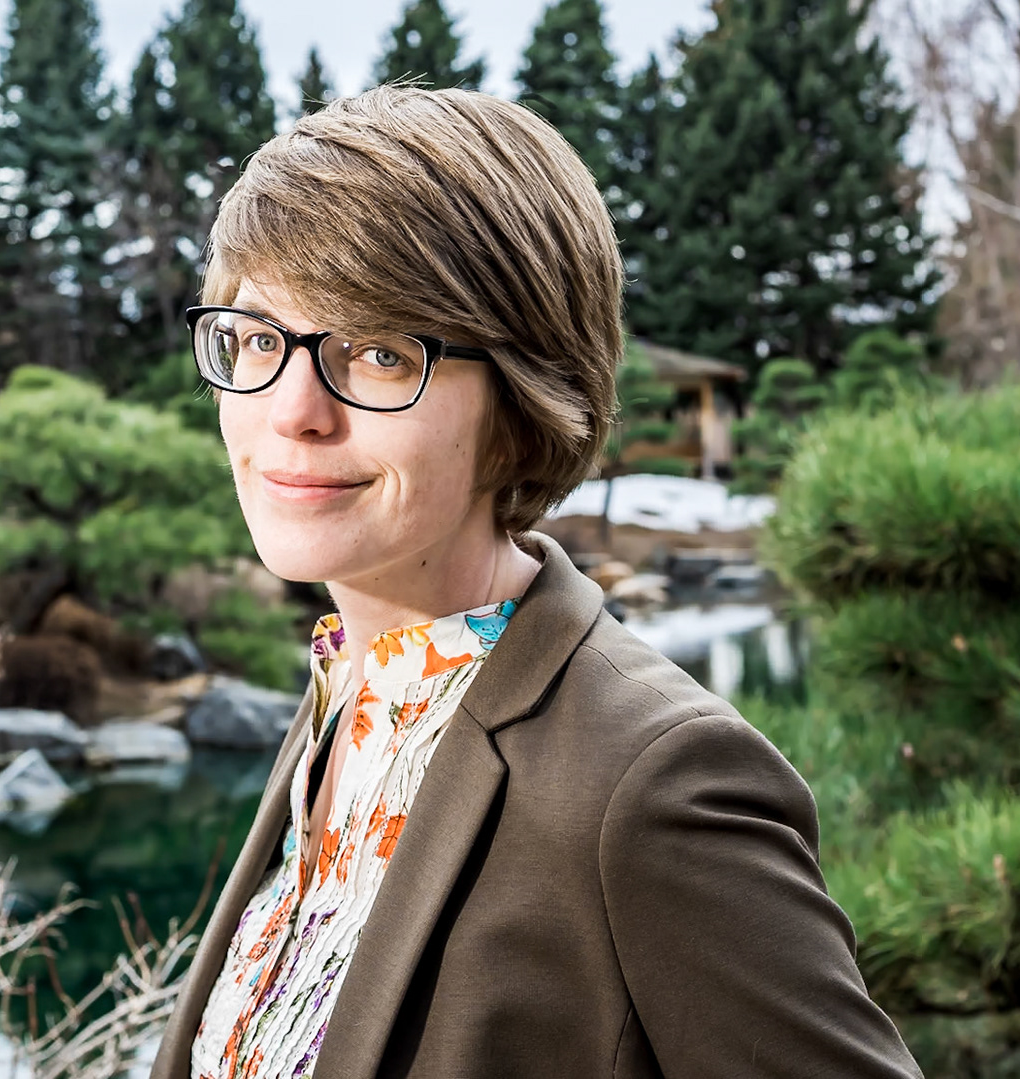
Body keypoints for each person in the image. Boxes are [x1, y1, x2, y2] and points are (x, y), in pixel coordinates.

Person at [149, 86, 922, 1079]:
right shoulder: (356, 689)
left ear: (524, 396)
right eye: (258, 339)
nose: (292, 408)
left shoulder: (654, 782)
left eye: (378, 352)